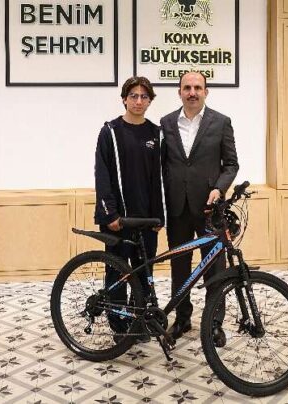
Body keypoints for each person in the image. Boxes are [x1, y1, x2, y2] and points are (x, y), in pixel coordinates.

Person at [160, 71, 239, 347]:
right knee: (179, 268)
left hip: (209, 209)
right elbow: (163, 165)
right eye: (187, 88)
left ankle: (214, 323)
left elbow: (231, 164)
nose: (192, 92)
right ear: (179, 92)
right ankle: (182, 319)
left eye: (197, 87)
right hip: (177, 208)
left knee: (214, 269)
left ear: (206, 91)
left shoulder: (221, 122)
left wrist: (219, 188)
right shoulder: (166, 123)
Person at [94, 76, 165, 340]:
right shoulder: (110, 132)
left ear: (150, 101)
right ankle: (119, 325)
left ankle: (139, 322)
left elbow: (160, 179)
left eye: (144, 96)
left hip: (146, 219)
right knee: (117, 271)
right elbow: (102, 175)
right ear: (124, 99)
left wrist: (159, 217)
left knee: (144, 272)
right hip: (118, 219)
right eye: (133, 96)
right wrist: (110, 214)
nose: (138, 101)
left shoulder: (156, 134)